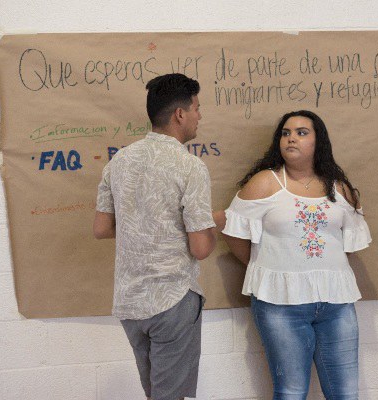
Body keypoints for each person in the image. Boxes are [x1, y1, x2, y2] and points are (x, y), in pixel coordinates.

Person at [214, 110, 371, 400]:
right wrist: (265, 265)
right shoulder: (264, 182)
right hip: (279, 305)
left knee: (346, 393)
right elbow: (233, 231)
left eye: (301, 132)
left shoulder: (340, 189)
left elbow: (348, 243)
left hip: (336, 303)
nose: (291, 139)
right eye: (285, 133)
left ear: (318, 141)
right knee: (291, 391)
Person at [93, 73, 216, 400]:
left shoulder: (118, 162)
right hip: (172, 298)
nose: (199, 116)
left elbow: (102, 228)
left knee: (157, 394)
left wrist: (146, 223)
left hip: (130, 302)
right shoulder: (190, 166)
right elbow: (201, 247)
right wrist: (212, 224)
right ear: (180, 114)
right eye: (197, 108)